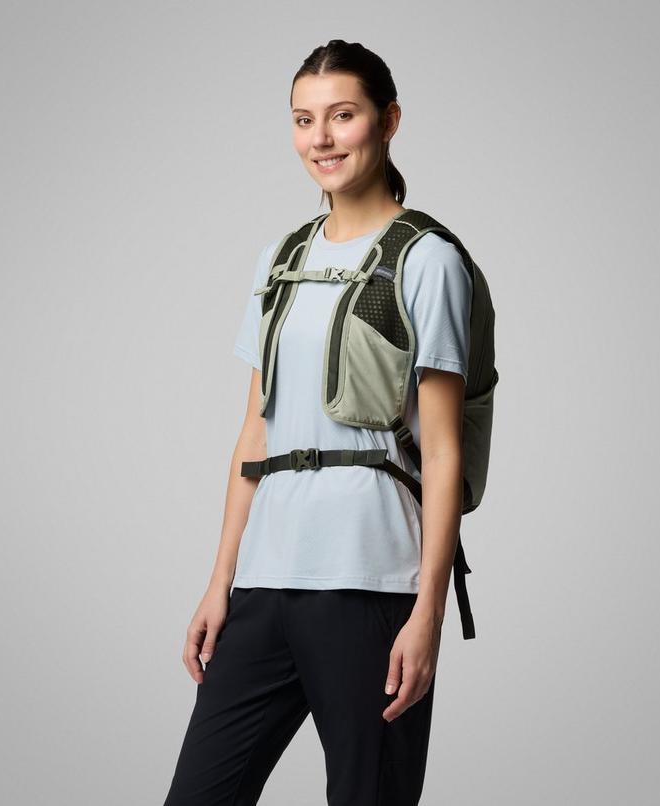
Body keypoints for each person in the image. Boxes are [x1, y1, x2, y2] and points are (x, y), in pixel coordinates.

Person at [162, 39, 473, 806]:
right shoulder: (283, 258)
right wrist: (220, 582)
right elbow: (256, 434)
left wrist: (427, 612)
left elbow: (442, 451)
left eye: (342, 115)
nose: (321, 139)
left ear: (388, 120)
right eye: (304, 120)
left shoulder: (427, 260)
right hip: (267, 581)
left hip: (369, 580)